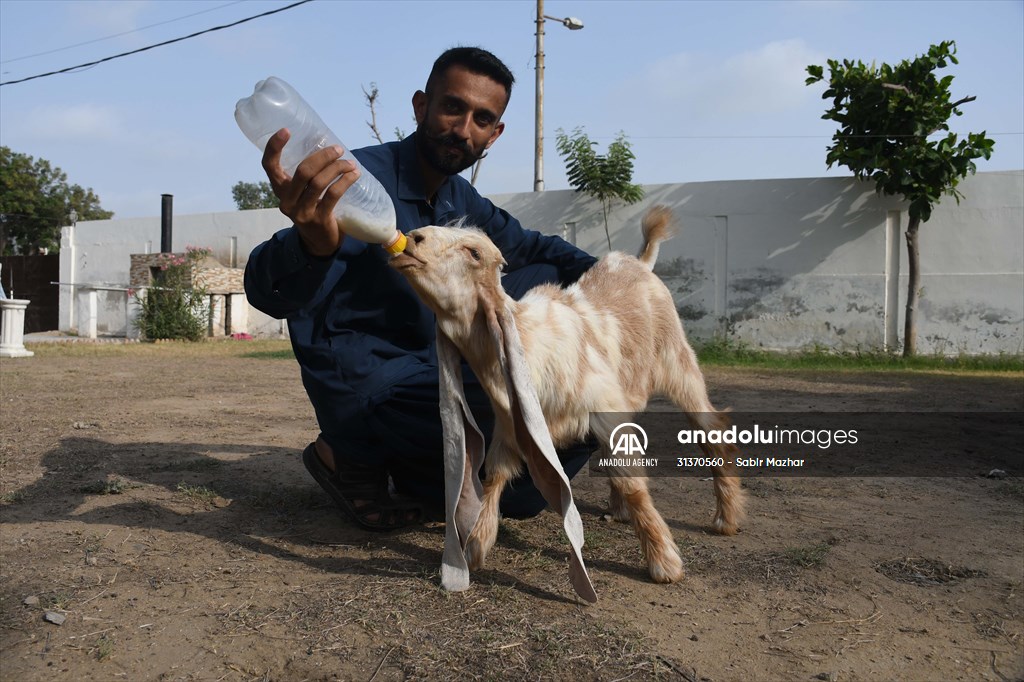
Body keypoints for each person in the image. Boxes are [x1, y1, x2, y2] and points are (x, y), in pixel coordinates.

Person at [244, 46, 597, 531]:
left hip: (437, 374)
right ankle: (349, 454)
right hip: (375, 386)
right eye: (452, 107)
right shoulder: (355, 182)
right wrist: (313, 244)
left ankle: (422, 471)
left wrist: (622, 282)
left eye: (481, 118)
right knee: (521, 464)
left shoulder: (461, 199)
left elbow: (534, 250)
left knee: (585, 410)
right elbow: (266, 291)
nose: (462, 128)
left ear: (494, 135)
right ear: (420, 107)